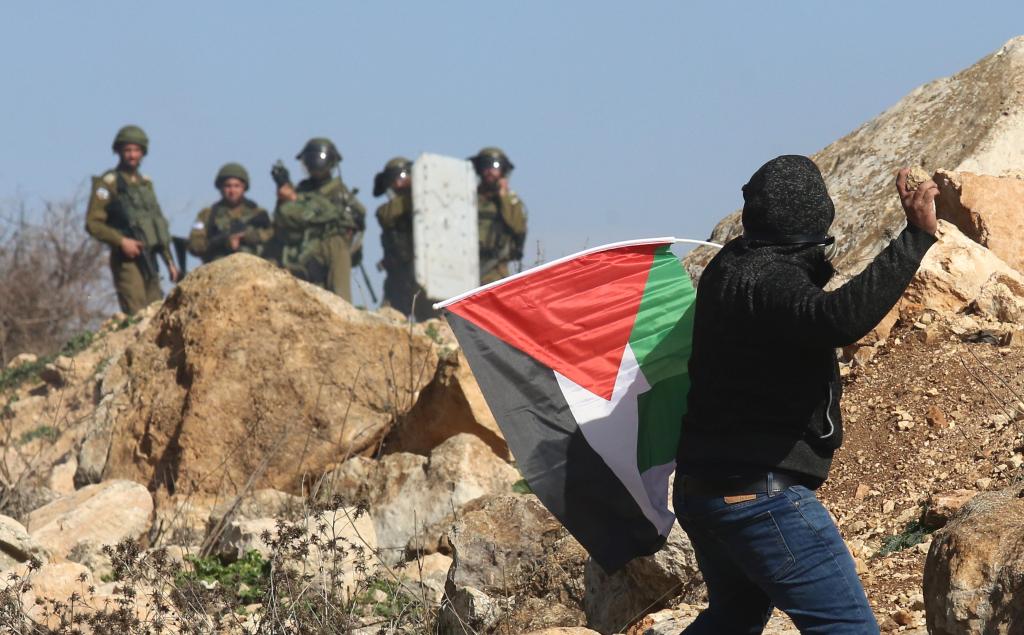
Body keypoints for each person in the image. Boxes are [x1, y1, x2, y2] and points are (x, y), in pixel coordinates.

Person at [672, 156, 939, 634]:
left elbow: (797, 296)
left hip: (704, 491)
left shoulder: (730, 265)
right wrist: (916, 236)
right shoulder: (768, 280)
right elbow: (836, 318)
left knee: (733, 618)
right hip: (758, 498)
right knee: (848, 629)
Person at [85, 125, 179, 314]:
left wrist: (169, 261)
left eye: (136, 150)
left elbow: (157, 223)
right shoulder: (109, 183)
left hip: (151, 257)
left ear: (143, 152)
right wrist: (121, 241)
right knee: (137, 314)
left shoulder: (146, 184)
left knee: (157, 312)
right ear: (118, 151)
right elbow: (92, 223)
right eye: (127, 150)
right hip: (127, 260)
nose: (132, 155)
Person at [273, 137, 366, 301]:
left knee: (340, 299)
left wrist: (295, 200)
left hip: (332, 248)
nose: (315, 165)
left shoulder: (339, 192)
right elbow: (283, 218)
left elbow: (334, 215)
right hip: (302, 251)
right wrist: (284, 199)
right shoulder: (302, 189)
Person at [373, 156, 438, 320]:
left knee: (432, 323)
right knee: (387, 323)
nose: (398, 183)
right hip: (398, 278)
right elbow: (385, 215)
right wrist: (413, 195)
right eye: (393, 179)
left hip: (423, 277)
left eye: (402, 176)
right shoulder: (390, 209)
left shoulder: (428, 202)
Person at [187, 163, 272, 265]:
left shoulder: (258, 213)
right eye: (228, 186)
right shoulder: (207, 215)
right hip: (218, 267)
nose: (232, 191)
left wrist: (249, 236)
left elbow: (273, 235)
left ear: (244, 187)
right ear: (220, 187)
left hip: (254, 267)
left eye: (237, 186)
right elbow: (194, 245)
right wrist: (223, 242)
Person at [469, 147, 527, 284]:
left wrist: (504, 197)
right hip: (466, 267)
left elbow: (518, 227)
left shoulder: (510, 201)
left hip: (495, 271)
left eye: (495, 165)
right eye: (486, 165)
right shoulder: (468, 198)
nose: (490, 171)